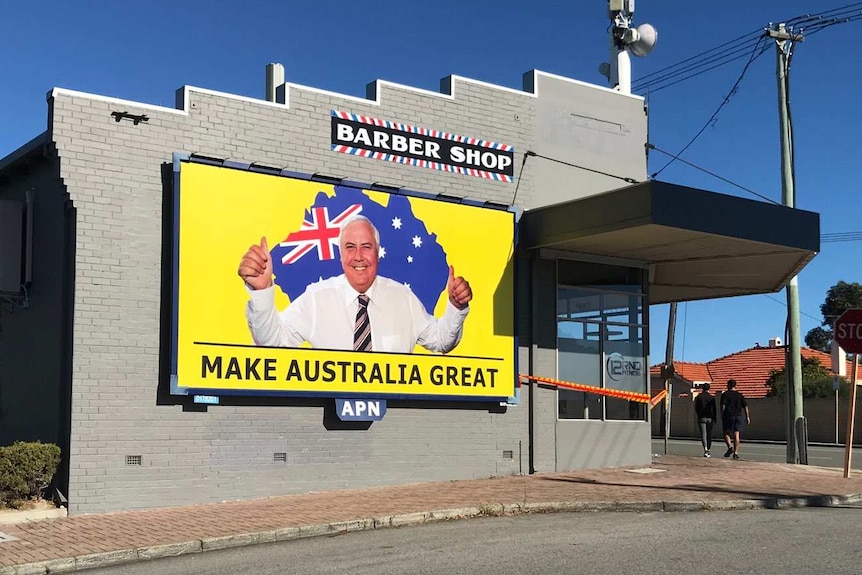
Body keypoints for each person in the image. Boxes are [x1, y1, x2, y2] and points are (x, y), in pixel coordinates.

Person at [237, 215, 473, 353]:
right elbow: (273, 343)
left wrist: (456, 307)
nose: (358, 256)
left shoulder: (403, 298)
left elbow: (441, 341)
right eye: (350, 247)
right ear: (340, 255)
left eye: (366, 247)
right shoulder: (317, 298)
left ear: (378, 252)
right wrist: (262, 291)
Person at [720, 379, 750, 460]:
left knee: (726, 432)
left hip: (728, 415)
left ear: (728, 385)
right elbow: (745, 406)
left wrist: (722, 414)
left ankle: (730, 446)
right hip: (738, 415)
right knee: (736, 434)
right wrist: (747, 417)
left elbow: (723, 406)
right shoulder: (739, 395)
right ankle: (736, 453)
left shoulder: (725, 395)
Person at [693, 383, 717, 457]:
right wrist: (715, 417)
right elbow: (714, 409)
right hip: (710, 417)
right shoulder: (711, 398)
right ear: (709, 389)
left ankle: (705, 449)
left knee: (703, 434)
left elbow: (696, 407)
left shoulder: (699, 397)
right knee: (709, 434)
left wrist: (698, 414)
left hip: (702, 417)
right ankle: (709, 449)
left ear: (702, 388)